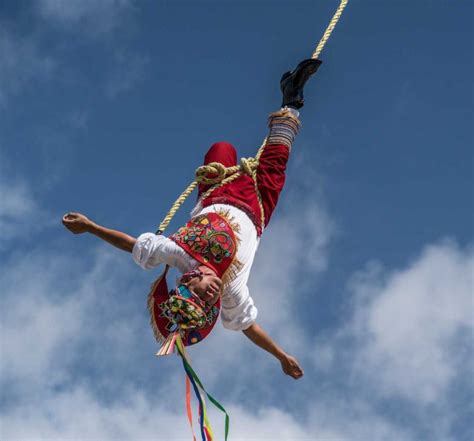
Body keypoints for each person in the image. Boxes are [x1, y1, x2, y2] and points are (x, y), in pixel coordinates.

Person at [63, 58, 322, 380]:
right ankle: (292, 97)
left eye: (200, 293)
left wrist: (90, 227)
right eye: (209, 301)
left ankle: (278, 109)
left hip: (217, 191)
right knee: (276, 160)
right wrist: (281, 356)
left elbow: (131, 244)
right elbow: (248, 326)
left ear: (187, 281)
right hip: (257, 210)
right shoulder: (230, 289)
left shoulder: (178, 256)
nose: (211, 294)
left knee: (221, 149)